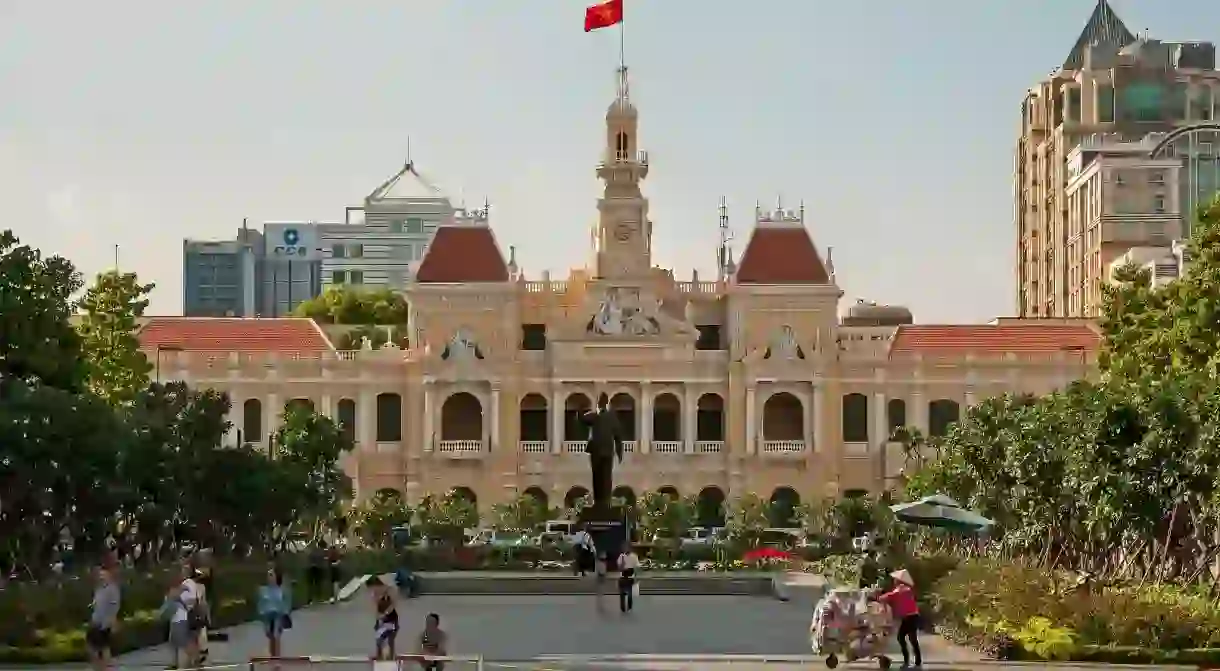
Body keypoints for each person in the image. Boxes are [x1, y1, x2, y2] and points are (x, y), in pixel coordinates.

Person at [580, 393, 624, 508]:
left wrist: (583, 409)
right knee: (604, 477)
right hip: (605, 452)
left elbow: (581, 418)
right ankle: (604, 502)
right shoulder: (607, 417)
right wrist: (619, 452)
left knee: (598, 477)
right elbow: (618, 437)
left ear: (600, 404)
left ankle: (601, 502)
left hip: (599, 452)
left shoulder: (595, 416)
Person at [873, 568, 921, 670]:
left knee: (901, 637)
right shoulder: (908, 589)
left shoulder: (901, 589)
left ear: (899, 581)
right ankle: (916, 662)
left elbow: (889, 596)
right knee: (912, 639)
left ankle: (908, 662)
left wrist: (877, 597)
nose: (894, 581)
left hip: (909, 617)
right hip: (913, 616)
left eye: (895, 579)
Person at [86, 566, 121, 671]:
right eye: (100, 574)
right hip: (96, 620)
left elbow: (115, 606)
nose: (102, 576)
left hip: (105, 622)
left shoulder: (112, 589)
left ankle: (105, 668)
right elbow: (96, 603)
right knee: (93, 647)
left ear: (109, 576)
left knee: (103, 646)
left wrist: (112, 620)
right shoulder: (99, 589)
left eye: (104, 574)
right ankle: (99, 667)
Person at [258, 565, 292, 659]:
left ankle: (277, 656)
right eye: (269, 575)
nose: (270, 577)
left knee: (276, 636)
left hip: (278, 616)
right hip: (268, 616)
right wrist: (261, 612)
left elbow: (286, 602)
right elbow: (261, 603)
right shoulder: (263, 590)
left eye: (271, 575)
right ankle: (272, 655)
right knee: (270, 636)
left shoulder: (281, 590)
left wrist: (285, 613)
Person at [368, 575, 398, 660]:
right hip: (381, 618)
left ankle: (391, 656)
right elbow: (374, 606)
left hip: (391, 618)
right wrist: (378, 617)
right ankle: (379, 656)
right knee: (379, 639)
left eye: (376, 587)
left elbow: (393, 604)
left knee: (390, 639)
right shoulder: (374, 594)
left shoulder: (390, 591)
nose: (374, 590)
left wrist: (385, 613)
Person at [616, 544, 640, 613]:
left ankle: (629, 607)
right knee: (622, 593)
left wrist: (636, 576)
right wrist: (622, 564)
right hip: (622, 576)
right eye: (624, 548)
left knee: (630, 593)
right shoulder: (621, 556)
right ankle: (622, 608)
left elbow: (636, 567)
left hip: (630, 576)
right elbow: (619, 568)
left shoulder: (634, 556)